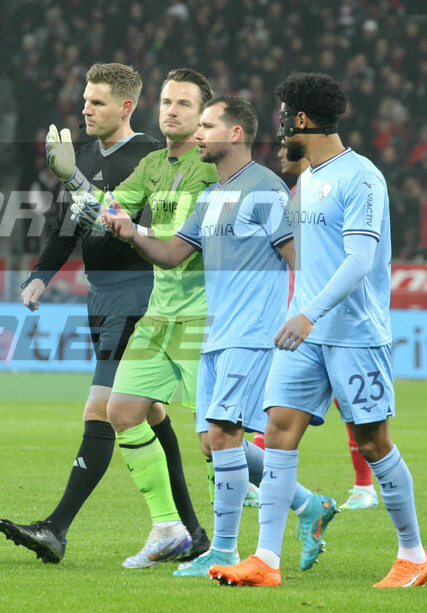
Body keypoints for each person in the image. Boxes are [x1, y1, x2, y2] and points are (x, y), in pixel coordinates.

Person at [209, 73, 427, 587]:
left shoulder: (362, 177)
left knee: (373, 443)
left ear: (302, 119)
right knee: (279, 433)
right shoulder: (307, 180)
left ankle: (413, 555)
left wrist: (308, 313)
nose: (280, 125)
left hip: (354, 334)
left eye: (284, 115)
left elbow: (359, 260)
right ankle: (266, 560)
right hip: (304, 337)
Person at [102, 96, 338, 578]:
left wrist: (305, 318)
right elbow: (172, 254)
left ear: (235, 133)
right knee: (215, 442)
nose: (198, 134)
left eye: (207, 125)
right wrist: (131, 233)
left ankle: (225, 551)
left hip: (252, 336)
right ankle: (305, 507)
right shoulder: (212, 196)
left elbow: (300, 260)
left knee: (223, 435)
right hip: (213, 334)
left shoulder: (266, 189)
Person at [0, 63, 206, 564]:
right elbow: (65, 228)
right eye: (85, 101)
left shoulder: (152, 157)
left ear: (126, 107)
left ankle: (56, 528)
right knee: (148, 415)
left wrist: (74, 178)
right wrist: (40, 276)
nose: (86, 110)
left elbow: (138, 225)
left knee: (102, 409)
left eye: (97, 102)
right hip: (101, 298)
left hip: (140, 296)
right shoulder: (85, 155)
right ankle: (193, 531)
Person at [69, 69, 220, 567]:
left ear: (204, 117)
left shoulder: (211, 169)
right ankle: (168, 529)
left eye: (184, 104)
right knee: (121, 412)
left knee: (216, 440)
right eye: (167, 101)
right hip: (159, 314)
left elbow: (180, 246)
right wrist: (73, 178)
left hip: (203, 316)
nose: (171, 110)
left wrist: (134, 231)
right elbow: (108, 211)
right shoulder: (153, 164)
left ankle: (296, 507)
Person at [278, 134, 379, 511]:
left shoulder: (348, 181)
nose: (280, 152)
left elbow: (356, 259)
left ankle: (365, 487)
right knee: (277, 413)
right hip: (296, 317)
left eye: (285, 145)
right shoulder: (296, 192)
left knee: (355, 415)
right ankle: (270, 497)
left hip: (335, 322)